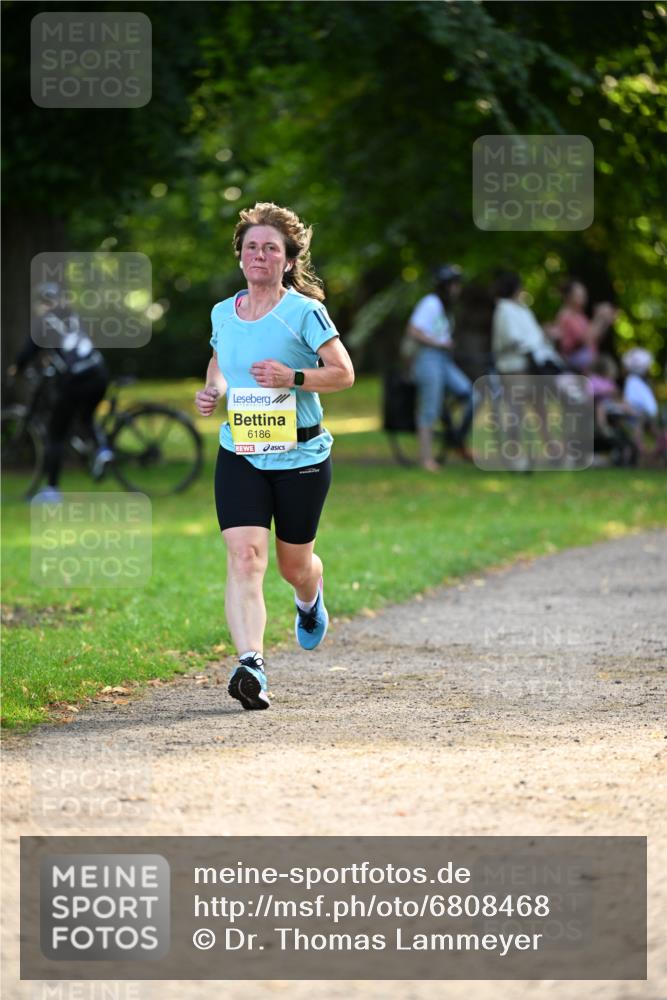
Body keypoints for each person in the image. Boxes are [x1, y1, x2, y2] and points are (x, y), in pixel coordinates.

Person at [195, 202, 354, 711]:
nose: (259, 255)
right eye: (251, 247)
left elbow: (344, 373)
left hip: (301, 453)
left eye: (271, 248)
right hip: (241, 449)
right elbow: (220, 357)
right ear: (240, 256)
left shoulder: (303, 313)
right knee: (245, 557)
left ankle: (311, 596)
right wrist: (213, 389)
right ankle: (251, 666)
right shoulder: (225, 311)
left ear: (287, 261)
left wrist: (294, 377)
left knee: (293, 566)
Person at [7, 282, 113, 502]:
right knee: (86, 416)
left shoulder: (44, 322)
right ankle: (103, 449)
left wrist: (16, 368)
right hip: (99, 373)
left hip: (75, 380)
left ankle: (52, 490)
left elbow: (28, 351)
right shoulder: (73, 316)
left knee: (55, 433)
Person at [491, 271, 565, 470]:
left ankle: (554, 451)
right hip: (513, 368)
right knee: (516, 411)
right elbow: (512, 339)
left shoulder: (522, 310)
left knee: (540, 408)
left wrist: (544, 335)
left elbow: (533, 336)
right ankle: (515, 457)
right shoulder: (504, 309)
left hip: (531, 367)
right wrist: (536, 340)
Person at [406, 264, 474, 471]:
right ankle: (426, 459)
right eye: (455, 284)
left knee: (470, 394)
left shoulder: (444, 307)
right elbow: (414, 331)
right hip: (428, 360)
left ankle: (457, 441)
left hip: (444, 360)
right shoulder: (431, 303)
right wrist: (439, 343)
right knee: (429, 410)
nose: (457, 288)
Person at [553, 279, 617, 373]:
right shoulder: (566, 315)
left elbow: (595, 339)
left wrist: (605, 321)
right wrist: (598, 318)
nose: (584, 297)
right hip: (575, 367)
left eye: (584, 294)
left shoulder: (580, 316)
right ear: (569, 297)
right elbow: (584, 339)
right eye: (580, 294)